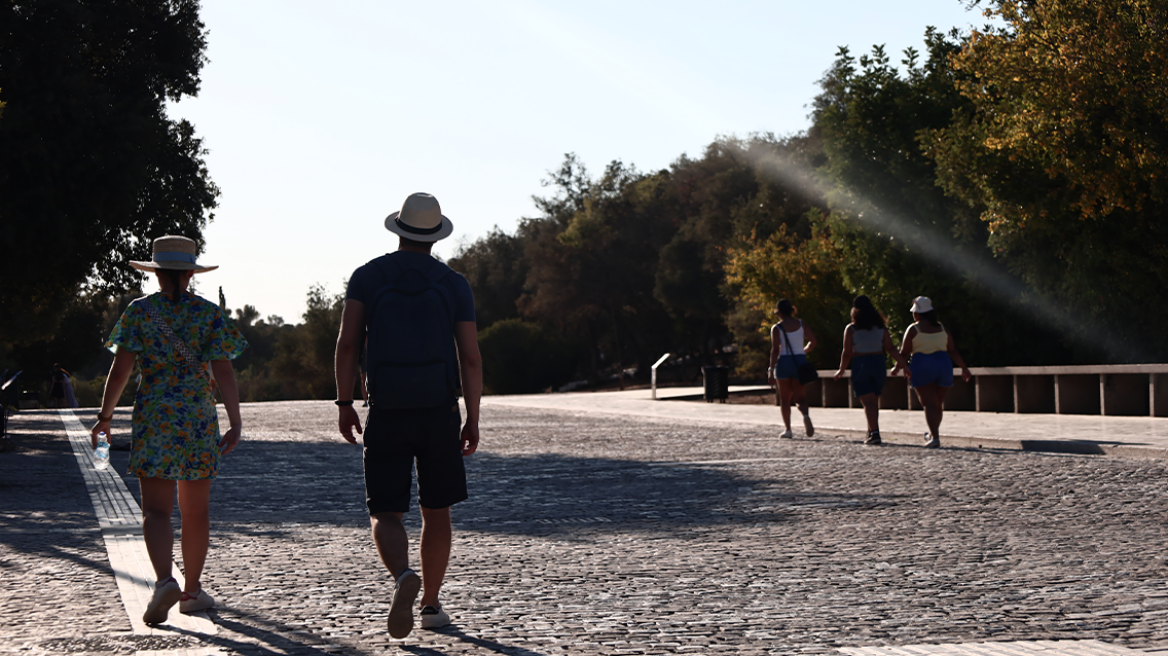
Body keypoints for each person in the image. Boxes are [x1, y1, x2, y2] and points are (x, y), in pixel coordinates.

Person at [334, 192, 482, 639]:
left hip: (387, 409)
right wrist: (471, 416)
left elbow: (347, 344)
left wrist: (344, 402)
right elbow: (470, 357)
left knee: (385, 510)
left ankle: (402, 576)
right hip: (438, 408)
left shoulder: (368, 277)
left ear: (398, 230)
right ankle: (432, 605)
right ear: (436, 236)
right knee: (437, 511)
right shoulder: (453, 283)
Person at [90, 235, 246, 625]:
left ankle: (164, 581)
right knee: (196, 512)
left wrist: (105, 417)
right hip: (196, 417)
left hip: (155, 416)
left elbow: (121, 370)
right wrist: (235, 421)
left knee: (156, 510)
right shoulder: (209, 314)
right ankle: (191, 591)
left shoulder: (139, 312)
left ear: (157, 273)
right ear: (191, 272)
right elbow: (223, 371)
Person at [892, 296, 971, 448]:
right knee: (938, 403)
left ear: (918, 314)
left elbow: (904, 352)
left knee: (929, 404)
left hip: (922, 366)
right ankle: (933, 433)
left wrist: (897, 367)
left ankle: (935, 437)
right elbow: (952, 350)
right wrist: (964, 368)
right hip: (943, 365)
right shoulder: (943, 329)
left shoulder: (914, 329)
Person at [833, 296, 909, 445]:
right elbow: (891, 348)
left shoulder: (852, 329)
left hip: (861, 363)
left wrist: (841, 369)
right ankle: (871, 430)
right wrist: (904, 365)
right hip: (878, 362)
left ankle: (874, 433)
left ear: (855, 311)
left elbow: (847, 352)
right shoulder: (880, 328)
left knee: (868, 402)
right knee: (874, 400)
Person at [768, 299, 818, 439]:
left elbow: (775, 350)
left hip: (784, 362)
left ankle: (788, 430)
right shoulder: (801, 324)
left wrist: (771, 370)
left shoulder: (777, 328)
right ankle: (806, 415)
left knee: (785, 399)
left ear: (779, 312)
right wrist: (804, 351)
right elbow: (813, 341)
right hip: (800, 362)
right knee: (800, 398)